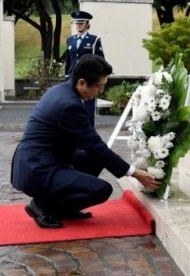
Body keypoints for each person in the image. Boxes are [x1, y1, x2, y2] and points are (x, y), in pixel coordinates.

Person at [11, 54, 160, 229]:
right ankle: (43, 206)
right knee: (102, 189)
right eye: (99, 86)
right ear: (82, 83)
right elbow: (95, 145)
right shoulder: (69, 105)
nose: (101, 91)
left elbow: (93, 145)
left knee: (98, 158)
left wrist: (111, 158)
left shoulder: (62, 91)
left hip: (43, 160)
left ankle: (64, 209)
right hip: (38, 169)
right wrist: (135, 173)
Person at [65, 10, 104, 127]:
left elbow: (100, 60)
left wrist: (98, 79)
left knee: (88, 108)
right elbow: (69, 61)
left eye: (81, 23)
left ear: (87, 24)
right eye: (77, 23)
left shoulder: (94, 40)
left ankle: (89, 133)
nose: (78, 26)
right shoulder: (70, 40)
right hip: (73, 78)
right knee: (72, 106)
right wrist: (66, 77)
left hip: (88, 78)